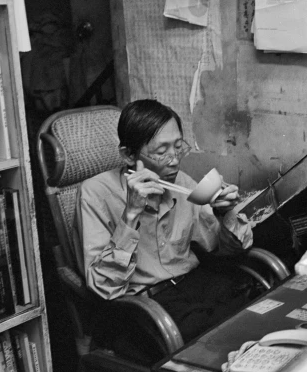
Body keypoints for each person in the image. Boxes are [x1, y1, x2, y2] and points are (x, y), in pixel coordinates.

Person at [75, 98, 255, 344]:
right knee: (222, 337)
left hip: (194, 287)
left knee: (257, 302)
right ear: (129, 155)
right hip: (144, 307)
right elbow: (105, 289)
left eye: (178, 147)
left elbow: (222, 249)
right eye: (162, 152)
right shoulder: (95, 193)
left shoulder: (179, 182)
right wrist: (131, 214)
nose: (174, 160)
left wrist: (226, 213)